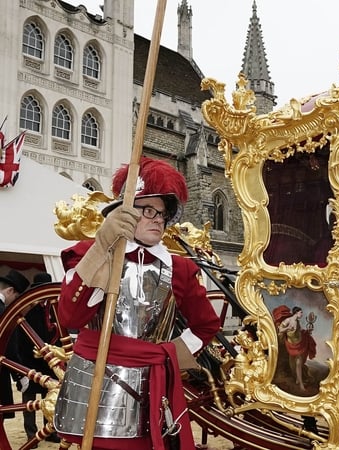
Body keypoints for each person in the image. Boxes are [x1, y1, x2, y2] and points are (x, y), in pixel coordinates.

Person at [52, 157, 220, 450]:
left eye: (163, 213)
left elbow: (206, 325)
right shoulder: (88, 253)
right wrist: (103, 246)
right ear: (125, 212)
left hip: (153, 387)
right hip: (96, 387)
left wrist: (168, 358)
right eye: (148, 210)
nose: (158, 219)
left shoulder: (179, 268)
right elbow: (70, 316)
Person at [11, 272, 61, 443]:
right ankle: (31, 434)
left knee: (51, 397)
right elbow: (20, 336)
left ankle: (50, 431)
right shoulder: (28, 309)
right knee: (30, 400)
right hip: (31, 360)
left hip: (51, 362)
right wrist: (22, 365)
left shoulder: (55, 308)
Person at [0, 269, 30, 421]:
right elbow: (9, 348)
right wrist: (20, 374)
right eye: (17, 297)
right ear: (10, 291)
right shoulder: (3, 312)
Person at [273, 305, 317, 392]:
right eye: (301, 312)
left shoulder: (297, 321)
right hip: (292, 345)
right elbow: (280, 330)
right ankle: (300, 383)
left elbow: (298, 332)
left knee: (298, 363)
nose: (301, 314)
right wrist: (288, 328)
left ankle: (299, 381)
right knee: (296, 363)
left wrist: (307, 332)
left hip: (300, 343)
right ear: (296, 313)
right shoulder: (288, 321)